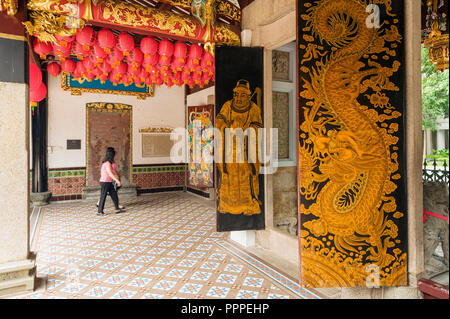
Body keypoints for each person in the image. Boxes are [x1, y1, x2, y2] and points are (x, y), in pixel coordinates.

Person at [215, 79, 263, 215]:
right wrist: (228, 127)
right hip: (229, 151)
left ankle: (249, 205)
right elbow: (219, 123)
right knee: (228, 178)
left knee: (246, 179)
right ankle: (225, 205)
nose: (238, 98)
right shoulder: (227, 106)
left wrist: (247, 130)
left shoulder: (253, 109)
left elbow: (258, 127)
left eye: (242, 95)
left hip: (246, 152)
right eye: (236, 94)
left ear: (248, 96)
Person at [97, 147, 125, 216]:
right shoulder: (107, 163)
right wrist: (117, 181)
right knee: (103, 196)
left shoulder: (109, 163)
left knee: (114, 194)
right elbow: (110, 173)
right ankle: (100, 211)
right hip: (105, 182)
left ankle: (117, 208)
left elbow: (113, 172)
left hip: (109, 182)